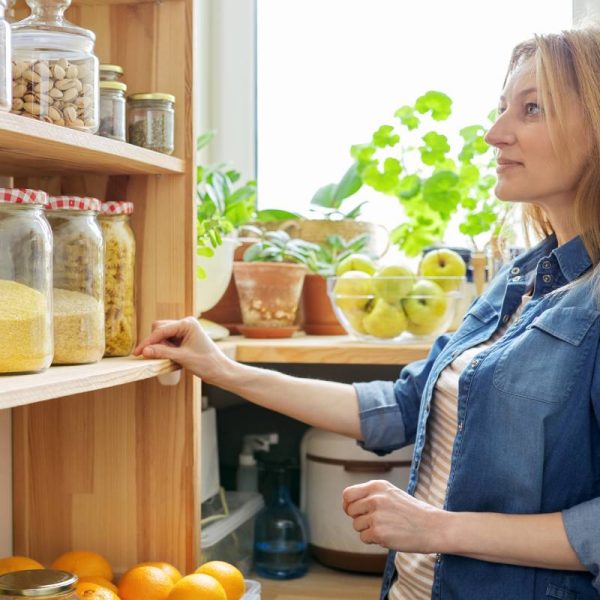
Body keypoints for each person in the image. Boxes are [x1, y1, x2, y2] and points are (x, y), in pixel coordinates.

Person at [134, 27, 600, 600]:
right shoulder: (520, 277)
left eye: (532, 109)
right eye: (502, 108)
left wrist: (434, 529)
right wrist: (225, 369)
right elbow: (403, 407)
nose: (494, 134)